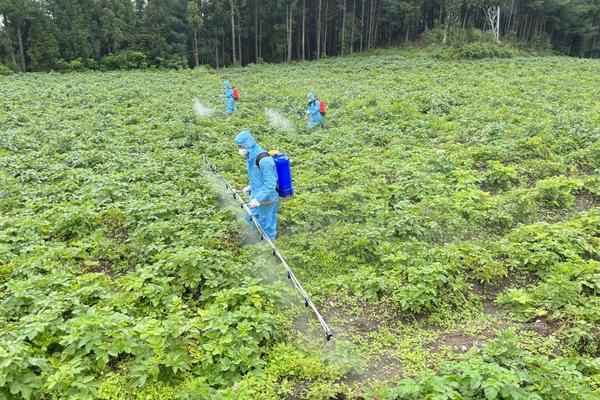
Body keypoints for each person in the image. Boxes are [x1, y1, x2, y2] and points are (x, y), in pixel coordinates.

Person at [235, 130, 280, 240]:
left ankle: (269, 248)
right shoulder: (251, 156)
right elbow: (257, 177)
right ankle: (258, 239)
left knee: (266, 225)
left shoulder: (264, 160)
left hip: (267, 199)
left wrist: (258, 199)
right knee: (250, 217)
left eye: (240, 146)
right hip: (256, 196)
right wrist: (250, 187)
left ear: (247, 144)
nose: (239, 150)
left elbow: (270, 184)